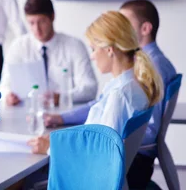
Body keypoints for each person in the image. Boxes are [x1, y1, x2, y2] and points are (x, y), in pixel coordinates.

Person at [28, 10, 163, 155]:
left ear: (109, 50)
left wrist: (50, 149)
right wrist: (62, 139)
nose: (92, 56)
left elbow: (103, 153)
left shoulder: (119, 95)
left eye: (93, 49)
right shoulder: (131, 84)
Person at [0, 0, 98, 106]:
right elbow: (3, 87)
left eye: (42, 21)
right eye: (31, 23)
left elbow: (90, 88)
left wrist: (62, 97)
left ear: (52, 17)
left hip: (67, 114)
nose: (37, 29)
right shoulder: (18, 47)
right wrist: (8, 96)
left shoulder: (74, 46)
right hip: (28, 113)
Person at [120, 0, 177, 188]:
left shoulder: (153, 67)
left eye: (125, 24)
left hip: (136, 161)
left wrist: (115, 135)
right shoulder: (146, 63)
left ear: (145, 28)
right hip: (134, 158)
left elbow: (149, 130)